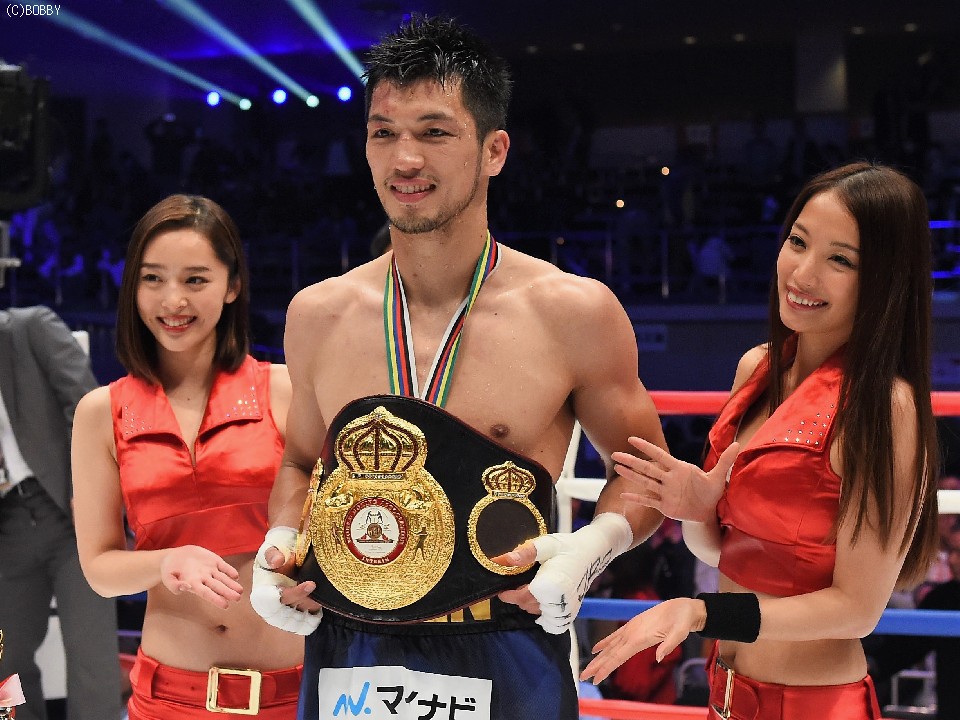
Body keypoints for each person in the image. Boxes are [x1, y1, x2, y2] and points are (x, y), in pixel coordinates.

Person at [250, 15, 666, 720]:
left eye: (435, 132)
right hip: (348, 647)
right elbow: (299, 463)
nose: (405, 159)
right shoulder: (317, 313)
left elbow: (645, 472)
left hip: (499, 641)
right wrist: (281, 542)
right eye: (384, 133)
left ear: (494, 150)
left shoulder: (572, 312)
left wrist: (593, 546)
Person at [581, 161, 940, 720]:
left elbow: (857, 609)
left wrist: (702, 613)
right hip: (727, 696)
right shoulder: (758, 369)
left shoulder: (885, 407)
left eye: (840, 260)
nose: (803, 273)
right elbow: (725, 555)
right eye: (798, 242)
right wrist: (698, 510)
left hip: (815, 706)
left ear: (885, 281)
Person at [71, 194, 303, 719]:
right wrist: (166, 561)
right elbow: (100, 569)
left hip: (291, 693)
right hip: (167, 698)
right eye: (152, 279)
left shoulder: (284, 391)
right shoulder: (101, 412)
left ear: (232, 285)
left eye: (195, 280)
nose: (172, 300)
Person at [0, 305, 123, 720]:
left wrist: (85, 495)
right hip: (8, 522)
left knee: (91, 654)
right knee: (6, 658)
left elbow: (88, 409)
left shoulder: (29, 329)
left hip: (69, 511)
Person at [873, 525, 960, 719]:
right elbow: (907, 648)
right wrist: (870, 666)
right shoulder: (944, 597)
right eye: (951, 551)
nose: (952, 560)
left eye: (959, 553)